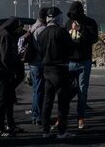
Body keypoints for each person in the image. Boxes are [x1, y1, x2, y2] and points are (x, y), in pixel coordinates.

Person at [38, 7, 74, 139]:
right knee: (63, 103)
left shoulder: (42, 33)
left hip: (47, 70)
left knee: (47, 101)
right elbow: (71, 49)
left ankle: (45, 130)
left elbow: (40, 52)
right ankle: (61, 132)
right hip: (60, 70)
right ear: (58, 17)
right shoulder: (61, 31)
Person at [65, 1, 98, 129]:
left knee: (82, 91)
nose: (73, 17)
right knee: (65, 91)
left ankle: (80, 117)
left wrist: (81, 29)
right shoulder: (68, 23)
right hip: (70, 62)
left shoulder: (90, 23)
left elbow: (94, 39)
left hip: (84, 62)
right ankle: (62, 117)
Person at [0, 17, 24, 138]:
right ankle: (0, 129)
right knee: (4, 100)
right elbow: (6, 57)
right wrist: (17, 58)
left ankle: (10, 124)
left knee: (9, 98)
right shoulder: (6, 35)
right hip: (5, 71)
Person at [28, 7, 48, 125]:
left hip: (33, 63)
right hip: (39, 62)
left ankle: (35, 115)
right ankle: (38, 116)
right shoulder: (42, 29)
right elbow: (43, 48)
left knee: (36, 90)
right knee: (40, 91)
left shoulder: (33, 26)